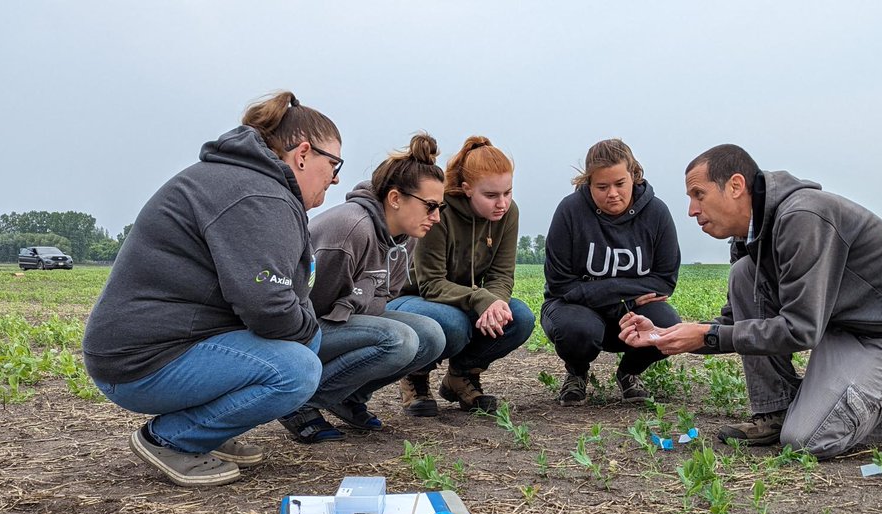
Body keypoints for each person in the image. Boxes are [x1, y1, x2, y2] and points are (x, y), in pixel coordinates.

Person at [619, 144, 882, 459]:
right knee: (743, 274)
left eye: (699, 195)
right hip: (841, 329)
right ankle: (775, 412)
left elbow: (800, 329)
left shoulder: (803, 219)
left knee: (808, 440)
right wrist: (666, 333)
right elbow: (737, 325)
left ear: (735, 186)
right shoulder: (751, 235)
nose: (692, 210)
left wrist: (705, 335)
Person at [83, 91, 341, 486]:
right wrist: (307, 329)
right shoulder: (257, 194)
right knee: (298, 367)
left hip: (159, 346)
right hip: (140, 362)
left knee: (306, 343)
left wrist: (304, 325)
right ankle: (170, 439)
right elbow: (268, 305)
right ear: (303, 153)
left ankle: (210, 432)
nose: (336, 177)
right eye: (334, 163)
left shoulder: (250, 183)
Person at [281, 133, 448, 441]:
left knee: (432, 336)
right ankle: (298, 402)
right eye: (430, 206)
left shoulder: (405, 237)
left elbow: (384, 297)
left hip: (343, 320)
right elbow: (308, 306)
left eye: (440, 207)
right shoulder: (351, 230)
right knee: (400, 340)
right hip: (301, 331)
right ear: (395, 198)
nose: (436, 217)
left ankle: (347, 396)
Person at [388, 136, 534, 414]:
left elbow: (501, 275)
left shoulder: (508, 215)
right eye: (491, 195)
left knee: (520, 318)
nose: (502, 203)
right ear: (467, 189)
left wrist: (496, 304)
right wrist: (481, 298)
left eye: (508, 192)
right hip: (411, 298)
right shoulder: (438, 211)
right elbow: (430, 283)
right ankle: (416, 377)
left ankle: (461, 376)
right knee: (453, 323)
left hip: (459, 298)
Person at [541, 139, 681, 406]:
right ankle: (577, 373)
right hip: (573, 309)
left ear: (634, 175)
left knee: (667, 324)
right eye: (602, 187)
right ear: (588, 183)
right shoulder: (569, 211)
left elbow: (664, 281)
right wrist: (627, 295)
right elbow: (560, 285)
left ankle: (629, 373)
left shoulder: (657, 213)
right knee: (578, 330)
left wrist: (613, 298)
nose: (612, 193)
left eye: (620, 183)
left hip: (621, 312)